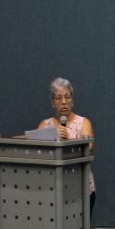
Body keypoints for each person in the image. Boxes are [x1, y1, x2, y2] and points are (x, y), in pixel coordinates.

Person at [37, 77, 96, 212]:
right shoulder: (44, 125)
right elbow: (37, 153)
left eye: (67, 97)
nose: (64, 102)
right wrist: (52, 136)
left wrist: (67, 140)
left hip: (80, 189)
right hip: (51, 189)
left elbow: (89, 149)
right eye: (58, 98)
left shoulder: (83, 123)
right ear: (52, 102)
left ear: (72, 100)